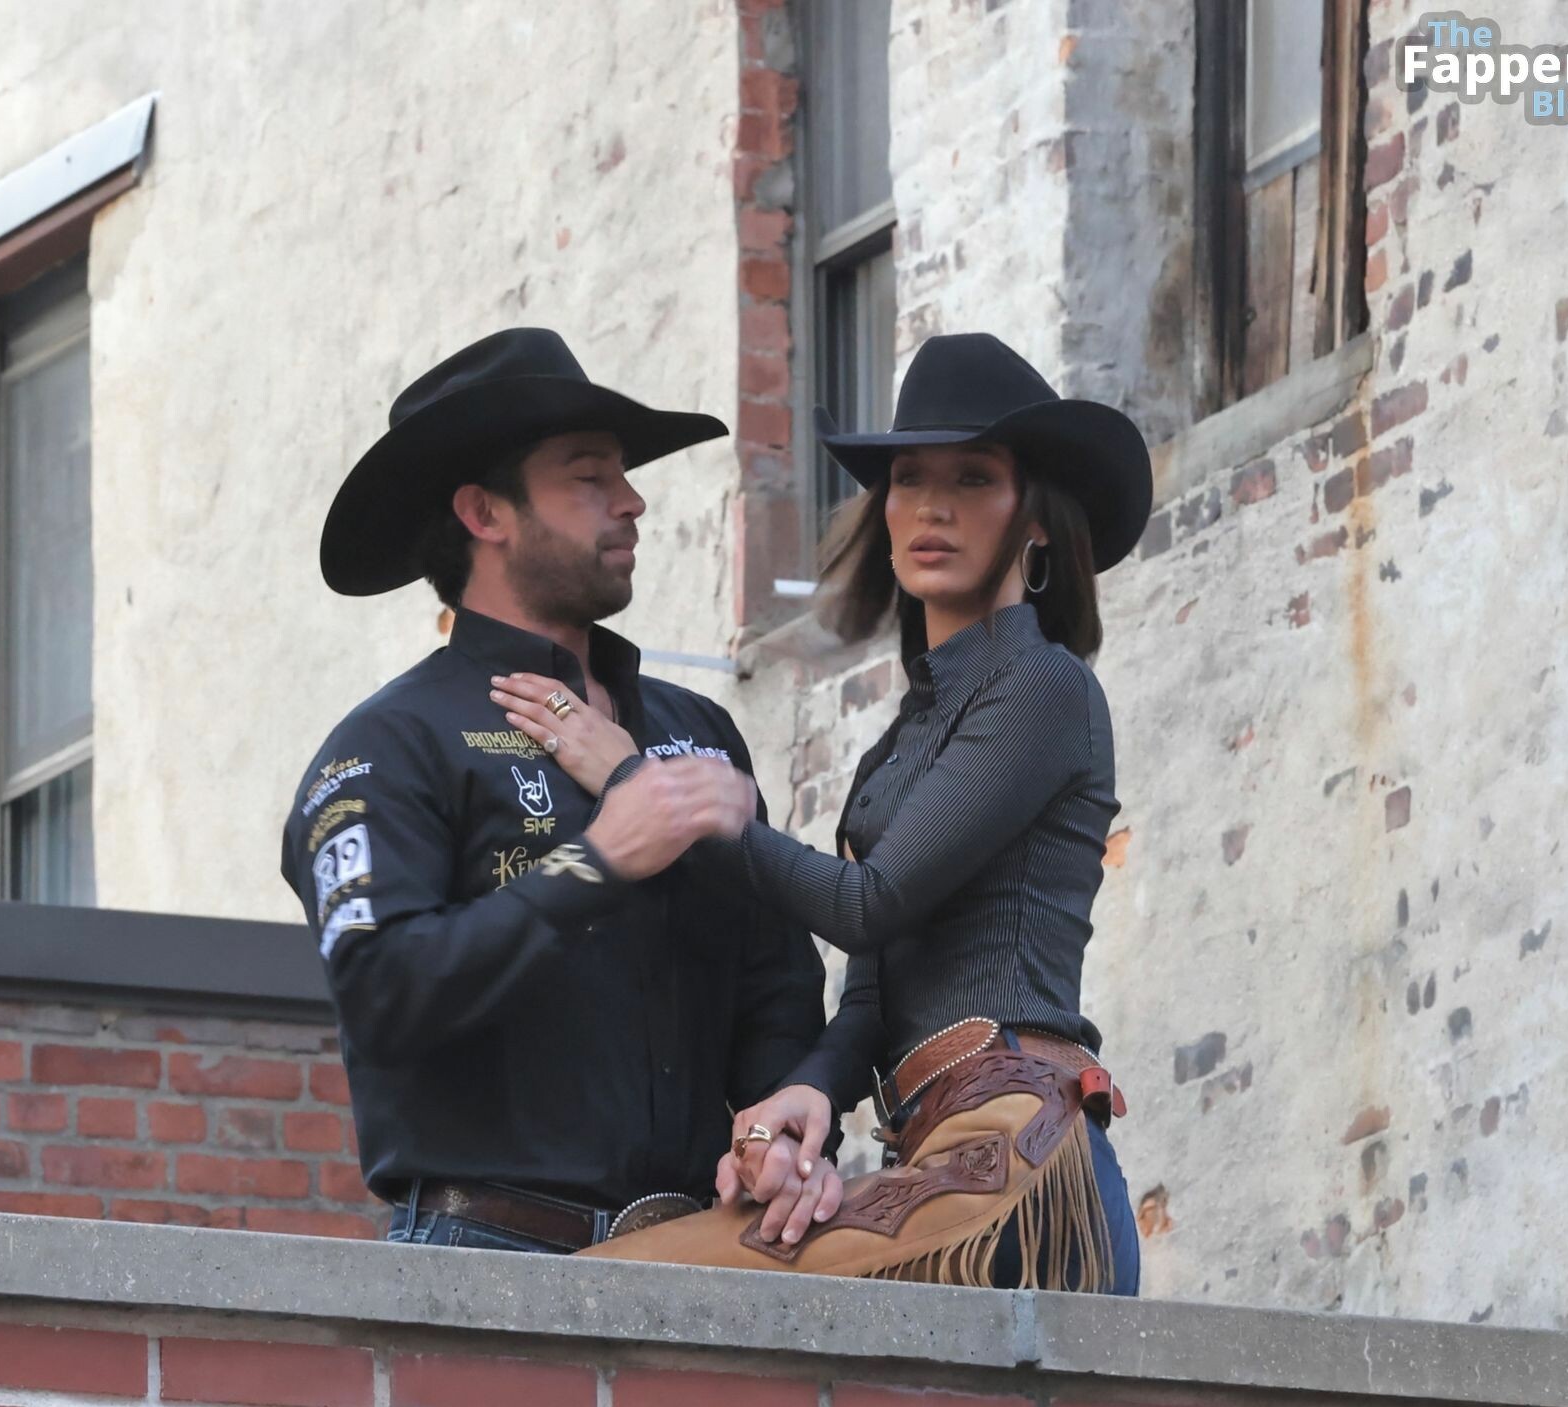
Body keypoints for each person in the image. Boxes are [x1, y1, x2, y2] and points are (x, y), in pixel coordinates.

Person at [541, 333, 1150, 1292]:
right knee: (644, 1280)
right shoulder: (902, 740)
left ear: (1036, 518)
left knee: (624, 1286)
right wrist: (812, 1090)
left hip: (1020, 1160)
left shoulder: (1044, 686)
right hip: (937, 1149)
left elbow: (868, 904)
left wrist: (652, 792)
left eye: (974, 478)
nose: (932, 508)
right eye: (908, 480)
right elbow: (872, 992)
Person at [282, 327, 827, 1254]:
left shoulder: (696, 728)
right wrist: (599, 860)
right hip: (486, 1258)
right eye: (589, 477)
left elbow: (777, 982)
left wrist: (784, 1130)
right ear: (484, 513)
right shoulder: (387, 745)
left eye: (625, 476)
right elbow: (383, 997)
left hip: (709, 1255)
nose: (633, 501)